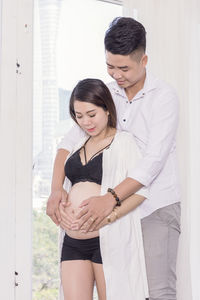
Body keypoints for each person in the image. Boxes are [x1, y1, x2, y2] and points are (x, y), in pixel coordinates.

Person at [47, 17, 181, 300]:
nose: (116, 74)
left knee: (157, 292)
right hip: (111, 215)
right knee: (123, 290)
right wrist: (56, 190)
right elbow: (69, 142)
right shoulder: (108, 94)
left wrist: (110, 198)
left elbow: (152, 163)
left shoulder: (164, 97)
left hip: (153, 207)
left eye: (124, 68)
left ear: (143, 60)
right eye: (110, 66)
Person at [58, 78, 149, 300]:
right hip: (73, 242)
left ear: (107, 109)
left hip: (107, 239)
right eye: (79, 116)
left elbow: (140, 191)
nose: (86, 122)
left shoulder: (124, 142)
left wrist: (110, 216)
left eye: (91, 114)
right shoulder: (78, 144)